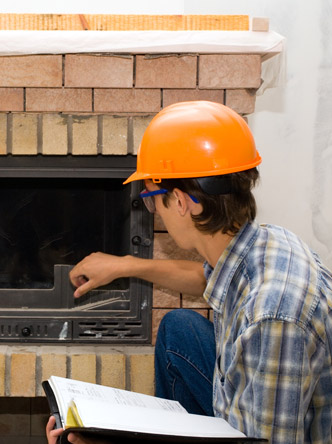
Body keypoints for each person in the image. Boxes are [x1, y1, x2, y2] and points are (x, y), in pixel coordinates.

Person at [46, 101, 332, 444]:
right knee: (179, 327)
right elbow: (204, 278)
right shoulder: (263, 244)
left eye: (152, 198)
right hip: (255, 401)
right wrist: (123, 265)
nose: (154, 211)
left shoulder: (272, 318)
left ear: (181, 201)